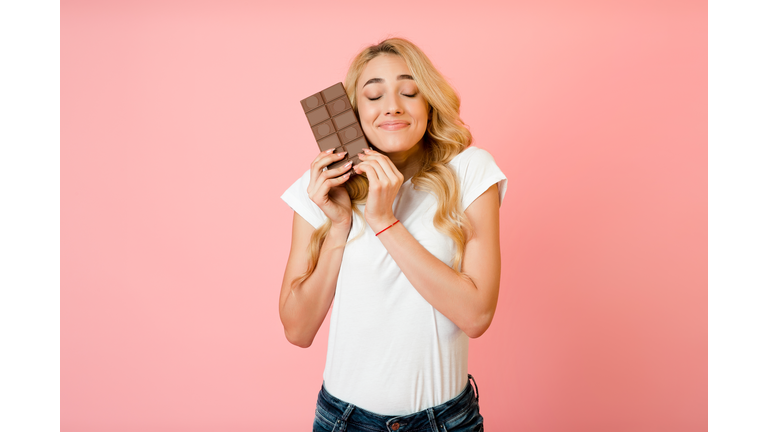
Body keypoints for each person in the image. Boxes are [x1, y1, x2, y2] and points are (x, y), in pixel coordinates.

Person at [280, 37, 507, 432]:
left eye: (409, 91)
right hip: (343, 421)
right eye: (373, 95)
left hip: (446, 422)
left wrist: (385, 221)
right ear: (352, 111)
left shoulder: (471, 171)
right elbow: (298, 331)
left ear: (429, 103)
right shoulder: (322, 185)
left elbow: (476, 315)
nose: (393, 106)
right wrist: (338, 227)